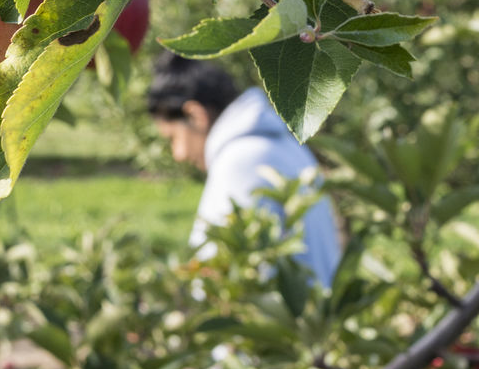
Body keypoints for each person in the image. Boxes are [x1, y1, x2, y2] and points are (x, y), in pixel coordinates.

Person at [146, 52, 341, 287]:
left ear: (195, 115)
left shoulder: (241, 160)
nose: (178, 154)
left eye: (173, 138)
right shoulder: (284, 144)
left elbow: (218, 276)